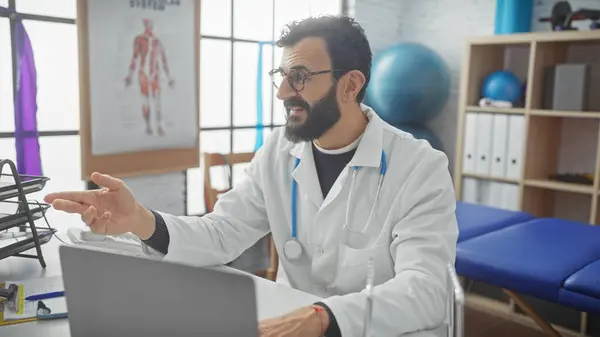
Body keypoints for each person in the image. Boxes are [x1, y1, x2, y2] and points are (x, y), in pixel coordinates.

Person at [46, 15, 458, 337]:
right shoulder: (279, 152)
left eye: (299, 77)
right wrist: (139, 220)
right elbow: (223, 232)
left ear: (350, 85)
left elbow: (426, 289)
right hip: (289, 323)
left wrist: (323, 318)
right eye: (281, 77)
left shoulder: (419, 166)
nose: (282, 94)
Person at [124, 18, 175, 136]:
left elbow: (163, 61)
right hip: (144, 74)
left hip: (153, 74)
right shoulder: (140, 40)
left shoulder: (156, 41)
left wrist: (169, 78)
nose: (149, 27)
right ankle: (149, 126)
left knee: (155, 102)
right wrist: (129, 76)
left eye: (150, 25)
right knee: (146, 101)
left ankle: (157, 126)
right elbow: (135, 58)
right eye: (148, 24)